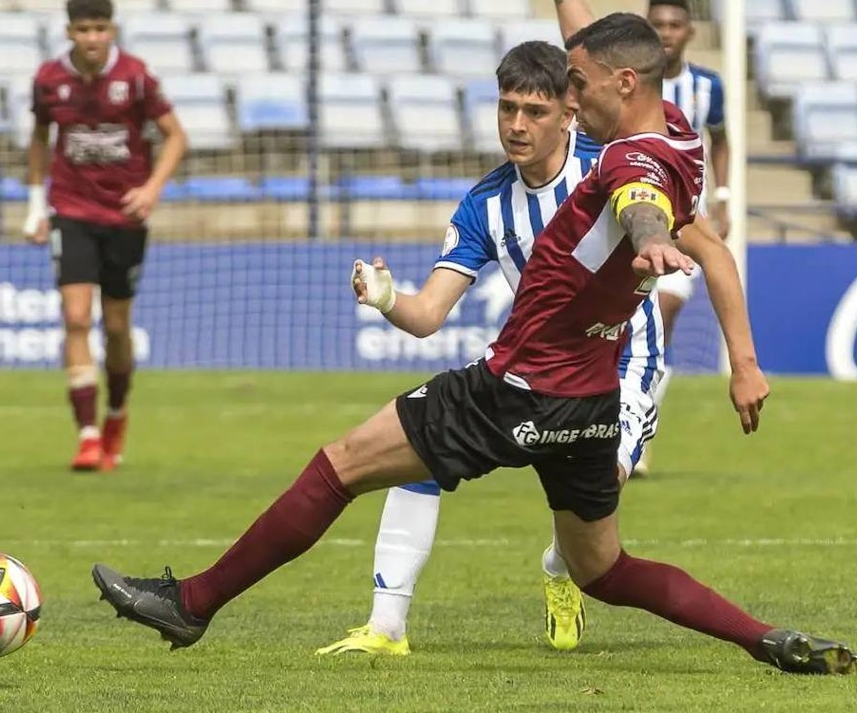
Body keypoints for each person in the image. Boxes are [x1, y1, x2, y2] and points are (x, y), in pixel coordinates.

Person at [90, 0, 857, 679]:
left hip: (515, 389)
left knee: (339, 465)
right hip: (589, 401)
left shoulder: (628, 165)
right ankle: (764, 639)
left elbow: (640, 201)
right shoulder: (677, 131)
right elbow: (604, 61)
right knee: (605, 569)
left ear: (617, 87)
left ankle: (190, 605)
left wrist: (653, 238)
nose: (557, 101)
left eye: (570, 88)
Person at [316, 38, 762, 657]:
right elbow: (427, 317)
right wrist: (388, 297)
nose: (517, 126)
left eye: (534, 110)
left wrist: (742, 362)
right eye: (507, 110)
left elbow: (707, 248)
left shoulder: (615, 161)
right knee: (419, 448)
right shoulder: (485, 204)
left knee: (597, 501)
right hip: (531, 365)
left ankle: (562, 569)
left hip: (621, 361)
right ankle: (386, 626)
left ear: (569, 111)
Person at [534, 0, 729, 477]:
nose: (575, 95)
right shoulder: (615, 110)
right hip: (564, 318)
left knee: (595, 487)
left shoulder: (655, 145)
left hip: (630, 313)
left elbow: (644, 204)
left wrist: (652, 238)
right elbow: (583, 40)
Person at [22, 0, 187, 472]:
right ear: (69, 32)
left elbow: (177, 135)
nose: (92, 38)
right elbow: (38, 138)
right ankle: (88, 435)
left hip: (124, 216)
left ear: (111, 30)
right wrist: (35, 203)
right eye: (83, 29)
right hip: (70, 211)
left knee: (116, 325)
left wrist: (152, 189)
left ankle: (116, 413)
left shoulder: (134, 77)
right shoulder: (50, 80)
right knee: (76, 318)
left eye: (100, 28)